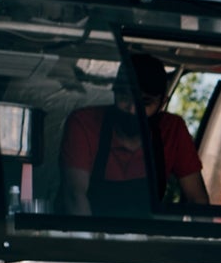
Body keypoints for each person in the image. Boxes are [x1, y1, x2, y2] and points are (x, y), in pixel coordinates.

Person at [60, 52, 208, 215]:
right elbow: (75, 195)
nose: (132, 109)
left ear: (162, 103)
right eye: (125, 97)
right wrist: (90, 239)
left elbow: (198, 200)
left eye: (145, 103)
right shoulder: (84, 123)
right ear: (115, 91)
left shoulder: (172, 129)